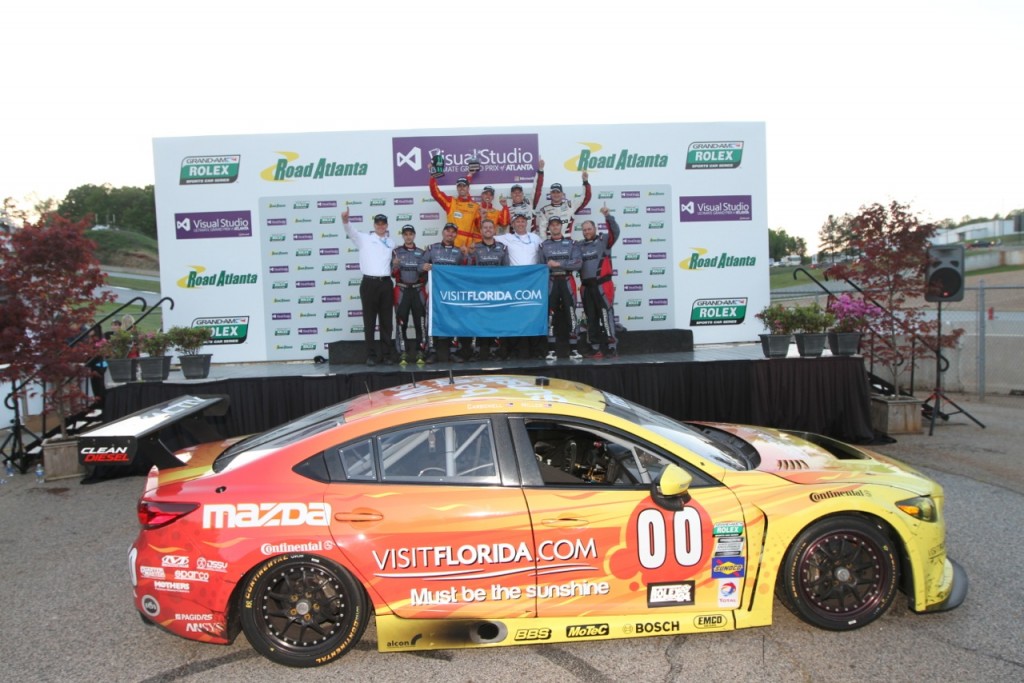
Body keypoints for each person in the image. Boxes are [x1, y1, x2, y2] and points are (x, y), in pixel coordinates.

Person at [342, 209, 395, 366]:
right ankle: (371, 355)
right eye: (378, 223)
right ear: (374, 225)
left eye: (383, 223)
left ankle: (386, 355)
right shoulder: (364, 238)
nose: (380, 226)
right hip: (369, 283)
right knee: (369, 321)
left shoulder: (391, 242)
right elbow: (351, 231)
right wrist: (346, 221)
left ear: (386, 225)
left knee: (386, 322)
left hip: (386, 283)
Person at [497, 210, 546, 359]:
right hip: (514, 283)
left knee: (532, 316)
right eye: (517, 221)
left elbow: (546, 251)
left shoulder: (535, 238)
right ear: (512, 224)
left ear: (527, 223)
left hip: (533, 283)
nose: (520, 223)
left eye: (522, 221)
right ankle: (513, 350)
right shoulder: (507, 238)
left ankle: (535, 351)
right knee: (515, 316)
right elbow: (486, 237)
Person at [577, 204, 621, 358]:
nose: (587, 232)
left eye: (589, 229)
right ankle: (595, 348)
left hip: (603, 285)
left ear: (594, 229)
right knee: (591, 318)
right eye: (584, 230)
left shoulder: (603, 240)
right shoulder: (579, 246)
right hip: (587, 287)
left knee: (606, 315)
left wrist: (608, 216)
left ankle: (611, 346)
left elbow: (615, 232)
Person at [420, 222, 467, 363]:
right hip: (435, 292)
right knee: (431, 320)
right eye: (448, 231)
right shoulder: (432, 248)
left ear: (456, 235)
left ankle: (453, 350)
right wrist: (423, 266)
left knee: (454, 319)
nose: (450, 234)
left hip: (452, 293)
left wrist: (466, 256)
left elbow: (467, 271)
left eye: (453, 232)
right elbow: (419, 265)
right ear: (443, 232)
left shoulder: (459, 252)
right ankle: (432, 351)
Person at [540, 216, 582, 360]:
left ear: (561, 227)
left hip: (566, 279)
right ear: (549, 228)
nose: (555, 227)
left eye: (557, 225)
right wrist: (548, 265)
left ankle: (574, 349)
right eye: (552, 225)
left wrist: (558, 264)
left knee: (571, 313)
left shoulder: (571, 243)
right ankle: (551, 350)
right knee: (550, 315)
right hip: (551, 281)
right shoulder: (544, 245)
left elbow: (577, 263)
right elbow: (540, 265)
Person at [469, 219, 510, 360]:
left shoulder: (503, 248)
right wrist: (469, 255)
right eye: (485, 227)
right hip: (480, 291)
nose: (487, 230)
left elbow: (507, 270)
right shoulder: (475, 247)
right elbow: (468, 270)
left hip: (498, 290)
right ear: (481, 231)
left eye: (490, 227)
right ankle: (482, 351)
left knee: (498, 320)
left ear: (494, 230)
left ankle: (500, 351)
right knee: (481, 321)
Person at [392, 225, 428, 365]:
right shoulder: (396, 252)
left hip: (418, 291)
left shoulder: (422, 252)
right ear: (402, 236)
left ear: (414, 235)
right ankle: (402, 353)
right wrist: (394, 266)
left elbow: (426, 274)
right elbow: (390, 272)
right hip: (402, 291)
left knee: (421, 323)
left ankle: (421, 351)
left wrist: (425, 269)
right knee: (402, 323)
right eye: (405, 234)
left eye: (410, 234)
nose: (408, 236)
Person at [535, 164, 592, 238]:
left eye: (558, 192)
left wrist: (585, 182)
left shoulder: (570, 205)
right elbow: (542, 231)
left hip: (567, 244)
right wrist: (546, 245)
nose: (556, 194)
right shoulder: (544, 210)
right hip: (551, 245)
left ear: (562, 194)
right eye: (553, 192)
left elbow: (586, 198)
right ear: (550, 194)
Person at [429, 174, 481, 249]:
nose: (462, 188)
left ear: (468, 188)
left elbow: (479, 228)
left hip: (468, 246)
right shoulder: (451, 202)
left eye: (464, 186)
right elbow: (436, 193)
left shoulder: (476, 206)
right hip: (452, 243)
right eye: (459, 186)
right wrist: (432, 177)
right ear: (457, 188)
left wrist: (484, 217)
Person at [500, 160, 544, 231]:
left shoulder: (530, 204)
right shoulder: (508, 209)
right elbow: (504, 225)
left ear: (523, 194)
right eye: (514, 192)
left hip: (531, 240)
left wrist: (540, 171)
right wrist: (504, 207)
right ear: (511, 195)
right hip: (515, 241)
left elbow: (537, 189)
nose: (517, 194)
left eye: (519, 192)